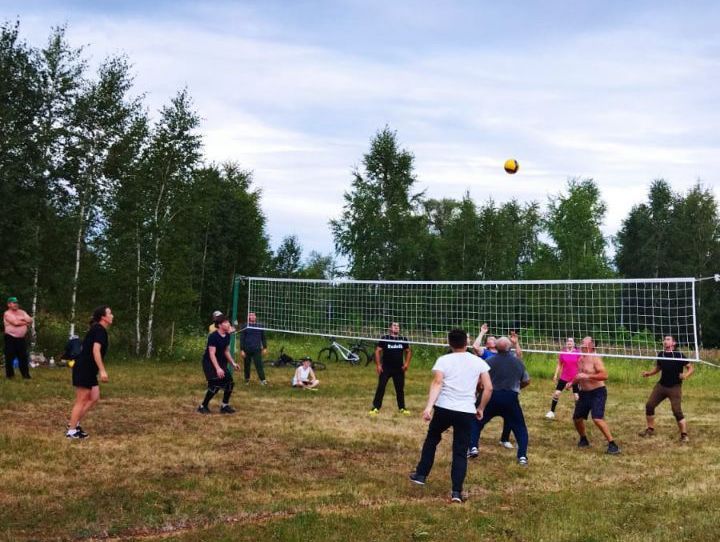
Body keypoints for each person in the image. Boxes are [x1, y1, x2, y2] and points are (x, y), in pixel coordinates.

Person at [409, 328, 493, 503]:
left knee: (432, 438)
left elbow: (437, 382)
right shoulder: (477, 361)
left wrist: (429, 407)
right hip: (465, 411)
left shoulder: (444, 360)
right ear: (466, 342)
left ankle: (421, 475)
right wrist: (481, 408)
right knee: (460, 451)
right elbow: (489, 387)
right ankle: (456, 492)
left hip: (444, 408)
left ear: (449, 343)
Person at [467, 335, 531, 465]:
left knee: (476, 421)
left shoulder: (489, 361)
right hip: (510, 398)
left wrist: (479, 393)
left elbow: (480, 383)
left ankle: (473, 447)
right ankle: (522, 456)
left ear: (495, 347)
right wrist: (516, 388)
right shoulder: (518, 362)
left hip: (491, 397)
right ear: (510, 348)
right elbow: (526, 381)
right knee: (520, 427)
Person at [66, 306, 113, 439]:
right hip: (84, 368)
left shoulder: (99, 329)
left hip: (89, 369)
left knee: (94, 397)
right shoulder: (99, 330)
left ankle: (73, 423)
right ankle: (71, 432)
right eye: (110, 313)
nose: (112, 316)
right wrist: (102, 370)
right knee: (81, 399)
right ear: (103, 317)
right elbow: (96, 350)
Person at [471, 323, 519, 449]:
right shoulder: (485, 353)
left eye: (494, 338)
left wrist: (515, 343)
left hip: (504, 387)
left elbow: (519, 356)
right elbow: (475, 346)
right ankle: (472, 441)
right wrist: (482, 332)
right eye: (489, 339)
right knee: (479, 412)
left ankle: (504, 439)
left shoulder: (506, 353)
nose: (492, 339)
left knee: (509, 414)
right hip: (488, 388)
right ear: (487, 344)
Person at [638, 335, 694, 443]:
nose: (665, 341)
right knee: (649, 405)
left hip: (675, 387)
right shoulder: (661, 354)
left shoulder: (678, 355)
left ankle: (684, 435)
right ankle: (650, 429)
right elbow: (658, 368)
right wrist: (649, 373)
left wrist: (686, 375)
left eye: (668, 339)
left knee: (676, 411)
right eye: (664, 339)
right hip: (661, 386)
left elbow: (691, 368)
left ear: (674, 343)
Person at [570, 336, 620, 454]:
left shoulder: (595, 359)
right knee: (577, 419)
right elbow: (579, 376)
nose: (581, 344)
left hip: (598, 392)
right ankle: (583, 439)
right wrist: (571, 383)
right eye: (581, 342)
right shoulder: (581, 359)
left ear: (591, 345)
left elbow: (604, 375)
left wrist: (588, 376)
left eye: (583, 342)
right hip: (584, 393)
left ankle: (612, 444)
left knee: (597, 418)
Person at [197, 315, 240, 414]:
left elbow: (226, 351)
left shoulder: (227, 335)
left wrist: (232, 363)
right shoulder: (213, 336)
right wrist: (218, 369)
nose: (228, 324)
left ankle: (224, 406)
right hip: (209, 363)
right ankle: (202, 406)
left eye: (228, 322)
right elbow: (212, 354)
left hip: (221, 362)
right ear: (220, 325)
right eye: (225, 322)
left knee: (229, 383)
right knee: (215, 385)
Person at [369, 322, 412, 416]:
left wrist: (406, 364)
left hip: (399, 369)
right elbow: (377, 351)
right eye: (394, 325)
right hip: (386, 368)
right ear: (390, 328)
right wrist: (378, 365)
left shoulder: (403, 339)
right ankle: (375, 407)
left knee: (400, 389)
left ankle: (402, 408)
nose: (397, 327)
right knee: (381, 387)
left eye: (398, 326)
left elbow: (408, 351)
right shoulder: (385, 338)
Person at [545, 337, 581, 419]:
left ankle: (578, 414)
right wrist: (555, 374)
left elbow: (580, 365)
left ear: (574, 343)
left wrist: (580, 376)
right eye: (568, 341)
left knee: (577, 397)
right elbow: (559, 364)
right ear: (566, 343)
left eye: (571, 341)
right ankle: (551, 412)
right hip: (564, 377)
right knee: (556, 393)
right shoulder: (563, 352)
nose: (569, 342)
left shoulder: (578, 352)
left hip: (574, 377)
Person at [3, 296, 33, 379]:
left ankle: (26, 375)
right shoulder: (7, 313)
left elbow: (30, 320)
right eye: (14, 303)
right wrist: (25, 322)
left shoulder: (22, 312)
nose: (16, 304)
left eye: (16, 303)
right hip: (10, 337)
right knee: (9, 356)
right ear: (9, 304)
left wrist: (23, 320)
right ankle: (10, 375)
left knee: (23, 357)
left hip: (21, 338)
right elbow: (15, 322)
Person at [239, 312, 268, 385]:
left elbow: (263, 337)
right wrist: (242, 350)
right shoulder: (245, 326)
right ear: (248, 317)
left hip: (257, 349)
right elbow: (242, 338)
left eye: (253, 315)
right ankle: (247, 379)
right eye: (250, 315)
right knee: (247, 365)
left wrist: (264, 347)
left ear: (255, 317)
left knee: (259, 364)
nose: (252, 316)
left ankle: (263, 380)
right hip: (247, 349)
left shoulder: (259, 326)